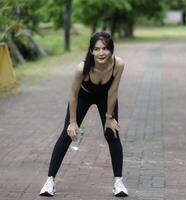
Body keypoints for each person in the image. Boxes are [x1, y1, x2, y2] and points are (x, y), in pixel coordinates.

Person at [39, 32, 128, 197]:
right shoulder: (82, 68)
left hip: (105, 97)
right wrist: (73, 122)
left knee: (112, 133)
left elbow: (113, 92)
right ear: (91, 51)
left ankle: (118, 182)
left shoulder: (118, 64)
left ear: (111, 50)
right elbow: (73, 94)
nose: (101, 53)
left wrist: (110, 118)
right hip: (83, 96)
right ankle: (49, 181)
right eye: (97, 49)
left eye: (105, 49)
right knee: (67, 134)